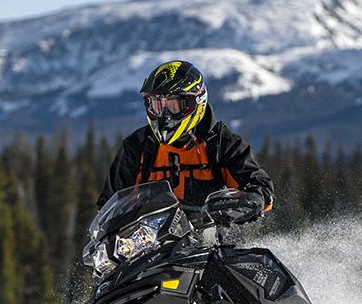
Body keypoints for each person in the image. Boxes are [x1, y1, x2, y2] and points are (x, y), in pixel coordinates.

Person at [98, 60, 273, 224]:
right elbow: (110, 204)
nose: (164, 114)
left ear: (195, 102)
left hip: (207, 245)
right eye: (157, 105)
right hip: (146, 245)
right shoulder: (138, 145)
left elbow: (260, 186)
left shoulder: (221, 143)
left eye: (173, 105)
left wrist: (251, 200)